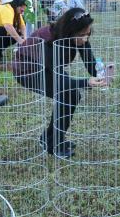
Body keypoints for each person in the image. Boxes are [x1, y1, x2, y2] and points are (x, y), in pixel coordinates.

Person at [13, 8, 105, 157]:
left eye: (88, 34)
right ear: (69, 32)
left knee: (71, 95)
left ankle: (50, 138)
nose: (85, 39)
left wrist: (101, 75)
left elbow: (89, 61)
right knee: (68, 94)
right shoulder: (48, 41)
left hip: (48, 67)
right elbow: (61, 81)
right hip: (28, 71)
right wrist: (87, 82)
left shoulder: (78, 36)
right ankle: (54, 144)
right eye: (82, 35)